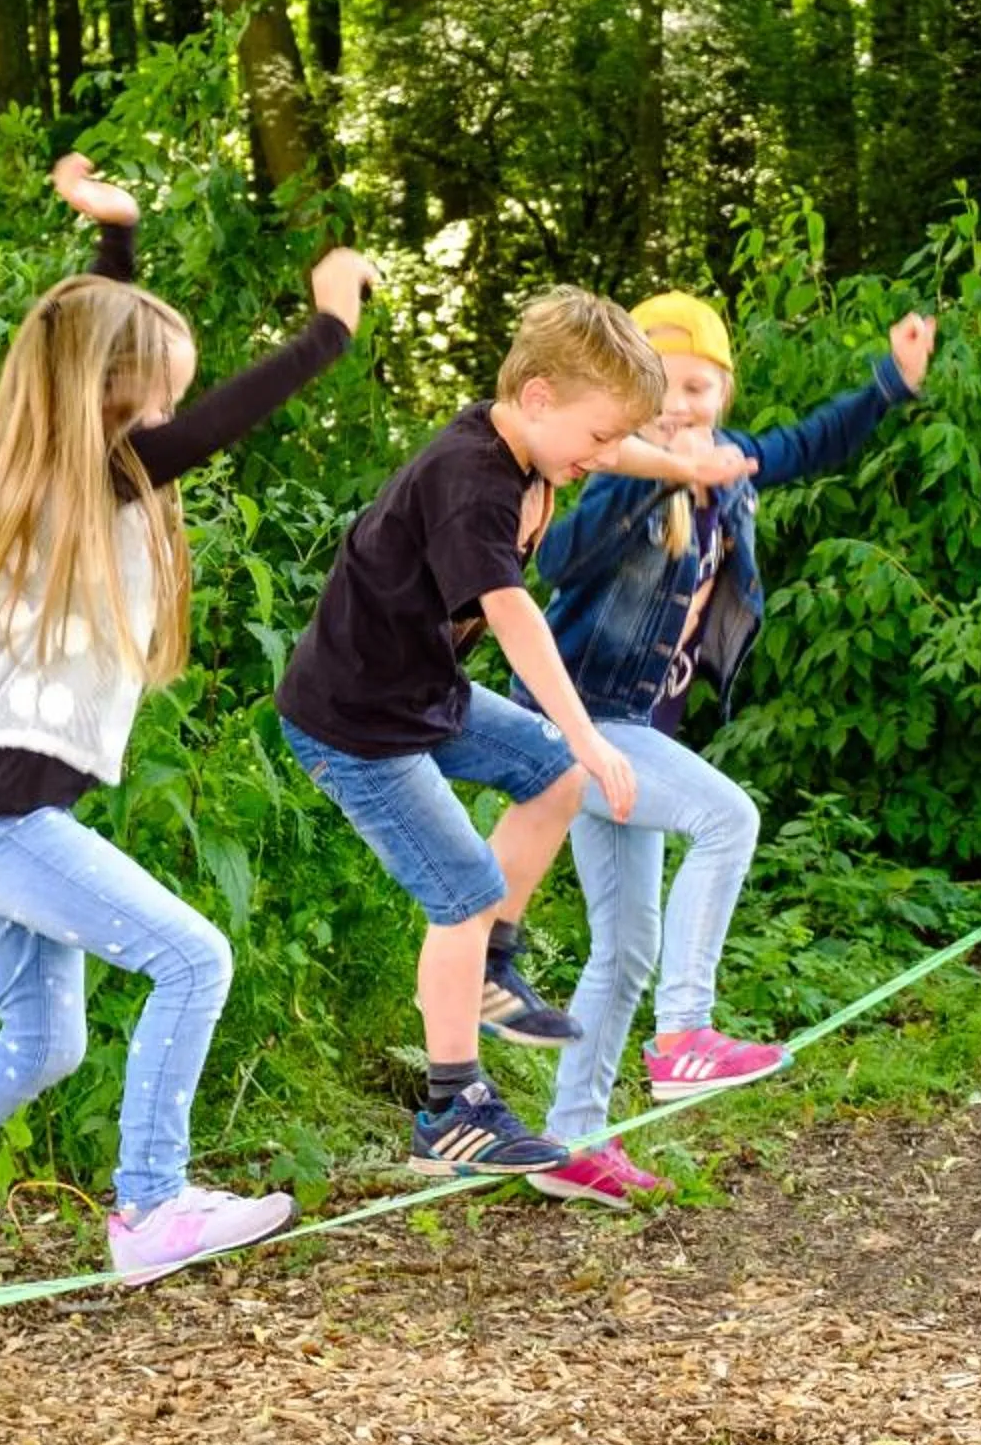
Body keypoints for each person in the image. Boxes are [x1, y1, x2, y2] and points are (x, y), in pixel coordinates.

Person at [0, 154, 378, 1299]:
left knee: (47, 1040)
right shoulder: (87, 476)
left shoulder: (61, 463)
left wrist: (118, 240)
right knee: (194, 955)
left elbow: (87, 338)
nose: (173, 414)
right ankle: (153, 1201)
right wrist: (326, 329)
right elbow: (205, 419)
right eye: (158, 394)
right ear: (113, 402)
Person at [274, 287, 718, 1175]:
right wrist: (591, 733)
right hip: (357, 725)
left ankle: (494, 963)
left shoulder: (526, 434)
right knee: (466, 892)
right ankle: (452, 1109)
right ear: (543, 398)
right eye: (596, 439)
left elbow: (613, 440)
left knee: (551, 776)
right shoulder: (471, 479)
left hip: (420, 694)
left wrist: (681, 468)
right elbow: (514, 617)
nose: (603, 456)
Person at [517, 290, 934, 1208]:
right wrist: (664, 476)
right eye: (661, 390)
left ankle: (568, 1141)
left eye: (698, 389)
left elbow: (810, 444)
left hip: (634, 733)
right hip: (574, 721)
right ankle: (685, 1037)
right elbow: (554, 562)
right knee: (727, 815)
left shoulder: (732, 468)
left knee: (624, 948)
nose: (681, 407)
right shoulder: (625, 473)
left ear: (723, 392)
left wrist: (890, 384)